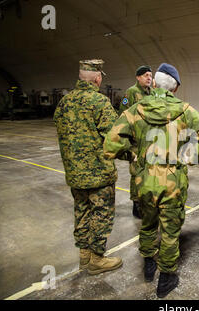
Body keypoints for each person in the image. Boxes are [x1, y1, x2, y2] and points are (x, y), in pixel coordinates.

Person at [104, 63, 199, 298]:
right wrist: (185, 156)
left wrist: (134, 154)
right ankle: (166, 277)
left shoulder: (135, 109)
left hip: (144, 180)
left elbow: (110, 145)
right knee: (170, 229)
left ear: (154, 83)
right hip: (172, 183)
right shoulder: (186, 110)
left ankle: (148, 264)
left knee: (147, 223)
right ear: (174, 89)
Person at [54, 59, 123, 275]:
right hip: (98, 174)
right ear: (98, 78)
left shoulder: (64, 103)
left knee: (81, 212)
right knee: (101, 214)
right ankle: (97, 259)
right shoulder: (99, 102)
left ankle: (84, 255)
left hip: (75, 175)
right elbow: (115, 137)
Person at [118, 65, 154, 219]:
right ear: (138, 77)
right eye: (146, 75)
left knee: (148, 172)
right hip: (136, 142)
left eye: (150, 75)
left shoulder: (152, 93)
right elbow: (123, 114)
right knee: (136, 172)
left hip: (150, 140)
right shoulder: (132, 92)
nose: (149, 78)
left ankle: (146, 200)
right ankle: (136, 204)